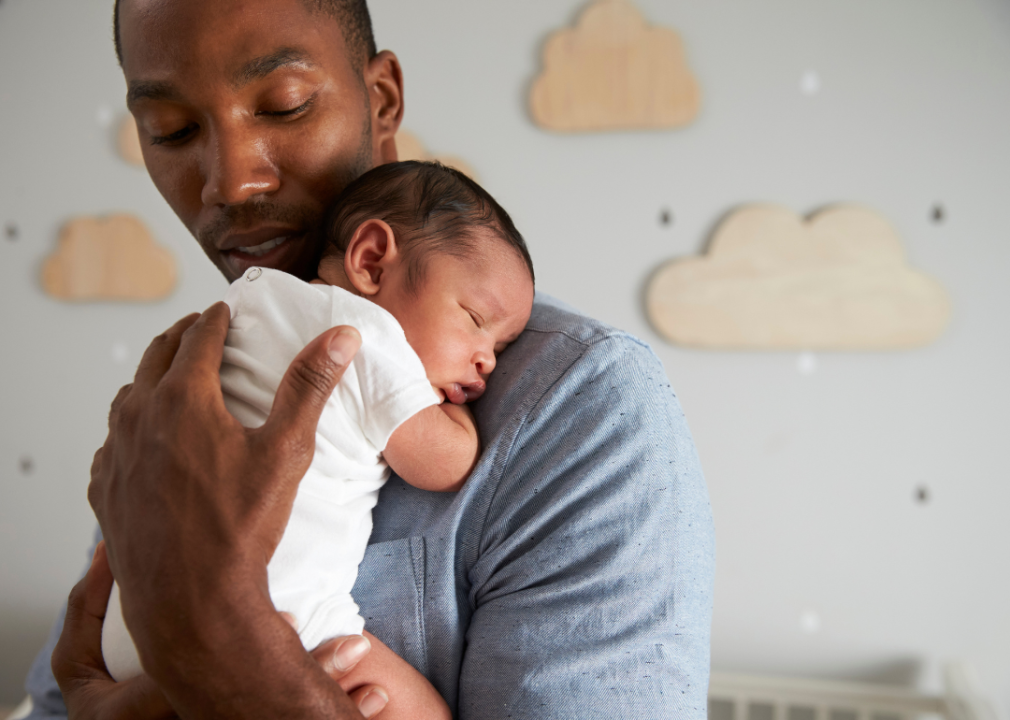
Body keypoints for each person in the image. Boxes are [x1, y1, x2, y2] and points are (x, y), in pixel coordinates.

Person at [23, 0, 716, 718]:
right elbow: (62, 693)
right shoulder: (187, 388)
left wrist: (231, 651)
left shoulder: (582, 409)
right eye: (172, 130)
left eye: (284, 106)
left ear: (380, 100)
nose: (230, 183)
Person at [100, 160, 535, 717]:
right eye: (476, 319)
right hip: (281, 620)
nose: (487, 360)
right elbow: (444, 463)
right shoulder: (368, 336)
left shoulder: (247, 302)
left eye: (501, 347)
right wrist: (459, 418)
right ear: (372, 260)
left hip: (130, 627)